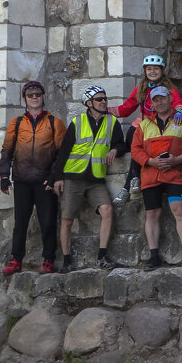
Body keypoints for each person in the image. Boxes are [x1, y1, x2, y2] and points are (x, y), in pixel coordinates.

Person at [51, 85, 128, 271]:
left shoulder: (112, 122)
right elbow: (63, 152)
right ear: (89, 103)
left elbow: (121, 144)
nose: (104, 102)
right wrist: (58, 177)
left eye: (105, 99)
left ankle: (102, 257)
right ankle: (67, 260)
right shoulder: (77, 122)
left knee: (107, 210)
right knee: (67, 219)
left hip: (96, 179)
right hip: (73, 176)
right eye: (99, 99)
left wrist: (115, 150)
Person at [0, 81, 64, 275]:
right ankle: (16, 259)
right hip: (22, 181)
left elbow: (62, 154)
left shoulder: (55, 122)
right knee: (20, 223)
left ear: (43, 97)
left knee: (48, 222)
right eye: (30, 95)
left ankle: (48, 260)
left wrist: (54, 177)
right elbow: (7, 150)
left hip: (45, 182)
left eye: (37, 94)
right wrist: (3, 175)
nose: (34, 98)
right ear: (24, 99)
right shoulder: (16, 123)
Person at [130, 86, 182, 269]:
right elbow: (135, 150)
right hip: (151, 175)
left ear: (170, 99)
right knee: (151, 213)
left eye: (163, 98)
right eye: (155, 100)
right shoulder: (143, 125)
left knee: (179, 209)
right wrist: (150, 162)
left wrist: (176, 160)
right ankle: (153, 256)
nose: (159, 102)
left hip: (175, 174)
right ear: (151, 103)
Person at [113, 54, 182, 204]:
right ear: (145, 71)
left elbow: (177, 102)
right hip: (144, 125)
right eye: (149, 69)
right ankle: (133, 179)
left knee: (143, 142)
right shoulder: (140, 89)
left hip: (160, 127)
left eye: (156, 69)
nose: (152, 72)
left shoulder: (169, 88)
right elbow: (126, 109)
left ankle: (130, 183)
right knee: (134, 135)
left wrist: (179, 111)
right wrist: (105, 109)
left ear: (161, 70)